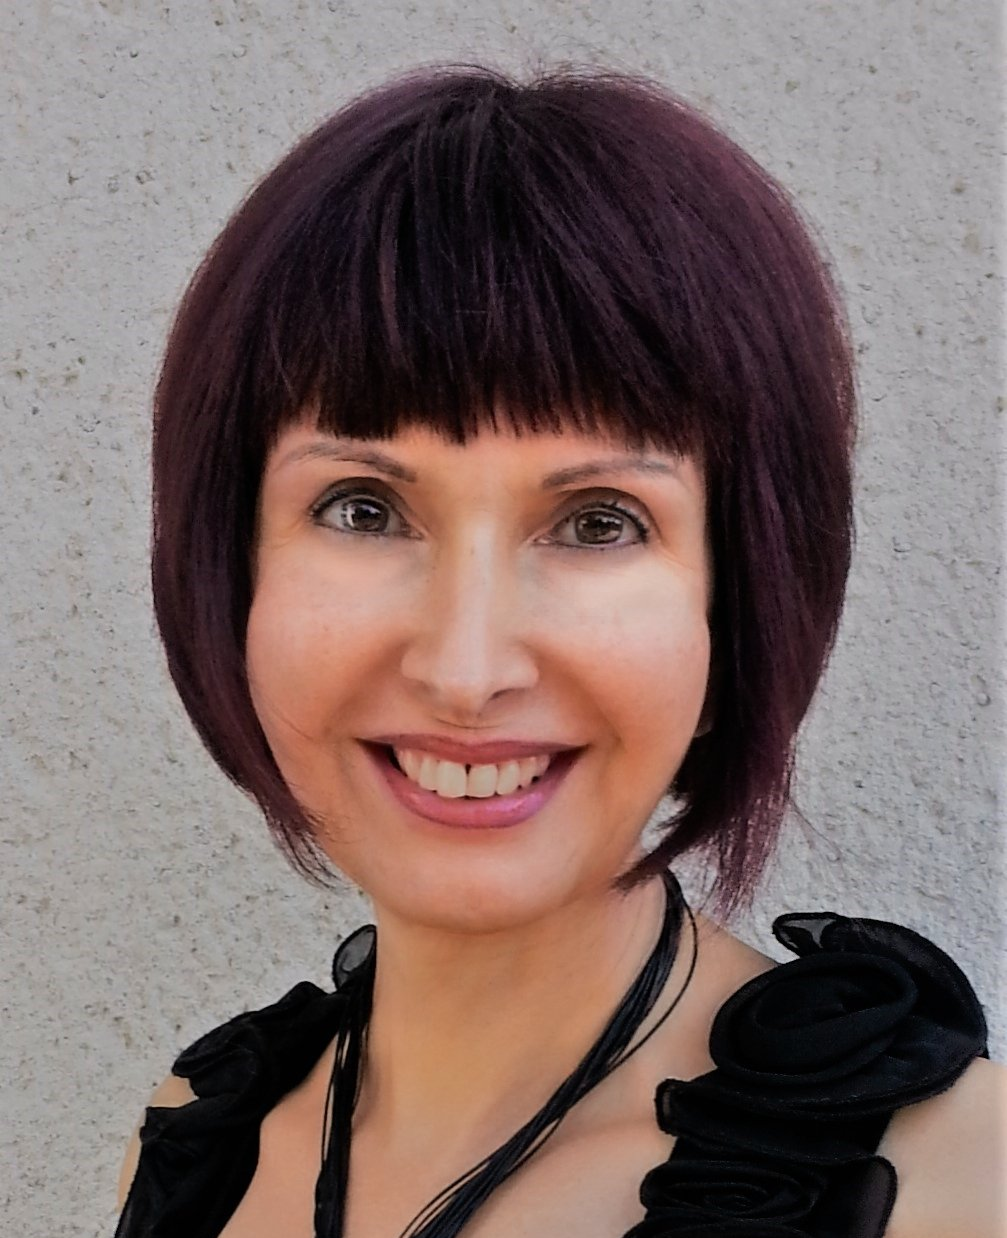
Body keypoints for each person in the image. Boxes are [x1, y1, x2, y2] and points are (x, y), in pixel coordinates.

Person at [113, 64, 1003, 1238]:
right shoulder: (195, 1143)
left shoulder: (954, 1184)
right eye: (363, 508)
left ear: (735, 599)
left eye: (597, 523)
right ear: (231, 573)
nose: (465, 667)